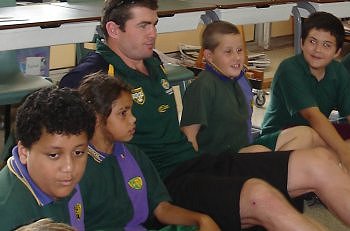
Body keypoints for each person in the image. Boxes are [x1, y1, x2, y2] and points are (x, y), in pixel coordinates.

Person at [59, 0, 350, 230]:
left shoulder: (151, 62)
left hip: (194, 162)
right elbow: (50, 123)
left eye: (155, 24)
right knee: (261, 195)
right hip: (160, 183)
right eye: (144, 25)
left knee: (320, 160)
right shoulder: (94, 73)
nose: (153, 33)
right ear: (113, 30)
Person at [77, 72, 220, 231]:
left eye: (131, 111)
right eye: (123, 113)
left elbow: (161, 208)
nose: (133, 119)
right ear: (97, 118)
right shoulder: (78, 167)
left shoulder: (134, 155)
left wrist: (200, 219)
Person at [180, 20, 317, 155]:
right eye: (228, 52)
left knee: (304, 134)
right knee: (261, 152)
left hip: (244, 149)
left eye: (239, 50)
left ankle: (275, 168)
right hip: (220, 161)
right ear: (209, 56)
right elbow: (189, 137)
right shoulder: (203, 86)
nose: (237, 57)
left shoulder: (238, 79)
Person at [260, 12, 350, 170]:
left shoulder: (339, 72)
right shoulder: (289, 68)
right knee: (308, 135)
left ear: (337, 52)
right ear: (302, 42)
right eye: (312, 41)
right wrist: (343, 152)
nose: (317, 50)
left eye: (326, 45)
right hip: (278, 137)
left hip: (316, 134)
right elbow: (312, 116)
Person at [0, 87, 96, 231]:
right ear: (24, 153)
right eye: (53, 155)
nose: (69, 167)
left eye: (78, 152)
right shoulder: (10, 216)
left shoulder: (57, 180)